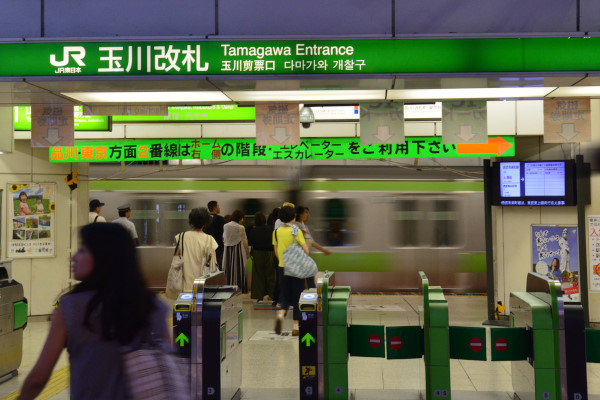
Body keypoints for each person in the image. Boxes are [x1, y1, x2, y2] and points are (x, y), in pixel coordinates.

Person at [18, 223, 170, 400]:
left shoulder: (71, 307)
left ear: (103, 256)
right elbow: (168, 360)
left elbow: (38, 378)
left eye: (82, 251)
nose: (74, 258)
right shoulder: (153, 306)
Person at [273, 205, 309, 336]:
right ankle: (296, 327)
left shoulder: (276, 232)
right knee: (298, 297)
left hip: (282, 267)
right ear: (293, 218)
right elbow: (306, 250)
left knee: (285, 296)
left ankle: (281, 314)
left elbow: (276, 251)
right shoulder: (296, 230)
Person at [176, 207, 218, 292]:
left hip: (184, 286)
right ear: (206, 223)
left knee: (186, 305)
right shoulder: (209, 240)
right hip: (202, 286)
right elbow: (214, 263)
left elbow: (175, 259)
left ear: (191, 221)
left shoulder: (181, 237)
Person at [295, 205, 331, 288]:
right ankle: (311, 295)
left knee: (308, 279)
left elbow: (311, 242)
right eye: (306, 213)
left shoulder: (304, 226)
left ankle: (312, 294)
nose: (308, 215)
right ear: (300, 214)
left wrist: (323, 250)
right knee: (305, 281)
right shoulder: (295, 226)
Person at [247, 211, 276, 302]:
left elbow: (251, 242)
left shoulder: (253, 230)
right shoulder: (271, 229)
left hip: (258, 253)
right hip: (270, 253)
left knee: (258, 275)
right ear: (264, 219)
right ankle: (273, 295)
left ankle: (259, 297)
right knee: (271, 275)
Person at [222, 209, 249, 293]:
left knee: (228, 268)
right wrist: (247, 252)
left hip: (227, 250)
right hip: (239, 250)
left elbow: (224, 237)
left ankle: (228, 287)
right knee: (239, 268)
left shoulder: (225, 226)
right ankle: (240, 288)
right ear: (240, 218)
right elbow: (244, 240)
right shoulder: (241, 227)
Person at [204, 200, 226, 268]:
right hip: (218, 248)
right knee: (219, 268)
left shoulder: (204, 219)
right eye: (218, 206)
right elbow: (224, 234)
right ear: (214, 208)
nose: (219, 208)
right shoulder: (221, 219)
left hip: (206, 248)